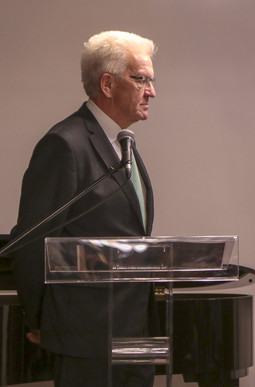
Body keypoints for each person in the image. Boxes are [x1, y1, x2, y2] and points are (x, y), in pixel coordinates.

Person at [10, 30, 157, 386]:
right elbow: (33, 242)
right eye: (141, 80)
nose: (152, 92)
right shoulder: (65, 144)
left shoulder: (123, 144)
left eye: (152, 81)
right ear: (107, 84)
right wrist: (39, 320)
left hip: (135, 336)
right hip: (85, 341)